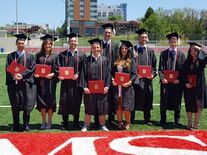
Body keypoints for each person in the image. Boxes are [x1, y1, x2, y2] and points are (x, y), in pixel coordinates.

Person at [6, 33, 36, 131]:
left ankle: (26, 124)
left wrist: (21, 75)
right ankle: (15, 124)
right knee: (15, 104)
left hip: (26, 85)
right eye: (19, 43)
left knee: (26, 104)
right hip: (14, 85)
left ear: (25, 44)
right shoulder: (10, 56)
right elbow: (7, 69)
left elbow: (31, 69)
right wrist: (14, 76)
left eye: (23, 43)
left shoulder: (30, 57)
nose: (21, 45)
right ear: (16, 43)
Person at [56, 33, 86, 130]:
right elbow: (57, 67)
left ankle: (76, 123)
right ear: (68, 42)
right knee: (65, 101)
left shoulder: (82, 55)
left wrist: (78, 75)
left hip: (77, 83)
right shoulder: (62, 55)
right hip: (65, 83)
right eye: (71, 41)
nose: (73, 43)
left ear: (77, 42)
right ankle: (65, 123)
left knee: (76, 102)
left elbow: (85, 69)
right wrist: (59, 75)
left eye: (74, 41)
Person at [81, 38, 110, 132]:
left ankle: (103, 125)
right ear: (91, 48)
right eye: (94, 47)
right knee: (88, 107)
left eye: (97, 47)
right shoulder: (87, 60)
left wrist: (107, 86)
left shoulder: (104, 60)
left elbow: (108, 74)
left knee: (102, 107)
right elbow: (83, 74)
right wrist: (84, 86)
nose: (96, 49)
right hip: (89, 89)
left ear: (100, 48)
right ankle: (86, 125)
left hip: (102, 89)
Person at [158, 32, 185, 126]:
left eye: (175, 42)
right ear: (168, 42)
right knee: (164, 100)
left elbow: (183, 70)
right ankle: (163, 119)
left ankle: (177, 119)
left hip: (176, 82)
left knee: (177, 100)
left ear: (177, 42)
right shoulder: (163, 54)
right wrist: (162, 78)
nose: (173, 44)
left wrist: (179, 80)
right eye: (171, 42)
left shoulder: (181, 54)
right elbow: (160, 69)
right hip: (165, 82)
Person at [95, 23, 119, 127]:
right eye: (106, 32)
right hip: (99, 76)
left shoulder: (115, 45)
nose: (107, 34)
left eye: (109, 33)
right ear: (103, 33)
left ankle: (111, 119)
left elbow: (118, 61)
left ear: (111, 34)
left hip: (112, 76)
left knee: (112, 98)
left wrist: (114, 77)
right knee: (98, 97)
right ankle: (97, 119)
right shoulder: (98, 43)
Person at [131, 28, 157, 125]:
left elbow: (154, 66)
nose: (144, 39)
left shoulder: (150, 51)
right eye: (142, 37)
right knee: (133, 98)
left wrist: (152, 75)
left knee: (147, 98)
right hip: (135, 80)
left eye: (145, 37)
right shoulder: (132, 50)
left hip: (147, 80)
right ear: (138, 38)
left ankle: (147, 119)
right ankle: (131, 118)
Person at [111, 40, 137, 130]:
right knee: (118, 106)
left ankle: (128, 122)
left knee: (126, 106)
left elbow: (134, 74)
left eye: (126, 48)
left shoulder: (131, 61)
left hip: (127, 87)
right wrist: (112, 79)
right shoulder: (116, 60)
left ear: (128, 50)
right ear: (120, 49)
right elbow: (111, 72)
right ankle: (119, 122)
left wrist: (129, 82)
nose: (124, 50)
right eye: (122, 48)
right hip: (117, 86)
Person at [34, 34, 58, 129]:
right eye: (46, 44)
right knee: (41, 102)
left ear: (52, 45)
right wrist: (36, 74)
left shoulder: (55, 56)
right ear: (43, 45)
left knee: (50, 102)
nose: (48, 46)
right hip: (41, 82)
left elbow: (58, 69)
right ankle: (43, 121)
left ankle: (49, 121)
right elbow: (34, 67)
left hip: (51, 83)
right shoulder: (38, 55)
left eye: (50, 44)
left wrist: (52, 74)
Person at [182, 42, 207, 130]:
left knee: (198, 104)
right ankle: (189, 122)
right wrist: (186, 83)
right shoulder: (186, 62)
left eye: (195, 50)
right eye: (191, 50)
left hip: (199, 86)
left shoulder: (202, 61)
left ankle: (196, 123)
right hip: (189, 87)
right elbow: (183, 75)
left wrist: (200, 48)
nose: (193, 52)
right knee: (189, 104)